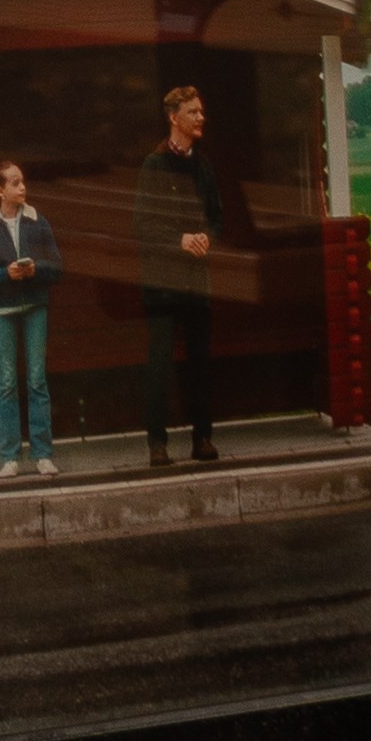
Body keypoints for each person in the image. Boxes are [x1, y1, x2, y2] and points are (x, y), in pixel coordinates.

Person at [128, 79, 234, 470]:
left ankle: (202, 438)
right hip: (161, 286)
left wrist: (207, 236)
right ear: (174, 118)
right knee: (159, 365)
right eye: (193, 112)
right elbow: (142, 224)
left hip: (196, 284)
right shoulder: (153, 165)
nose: (201, 117)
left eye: (201, 112)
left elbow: (218, 219)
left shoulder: (203, 167)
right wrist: (180, 240)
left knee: (200, 363)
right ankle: (157, 444)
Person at [0, 157, 60, 484]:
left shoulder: (37, 221)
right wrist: (4, 274)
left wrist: (37, 270)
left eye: (23, 182)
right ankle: (9, 457)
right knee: (7, 381)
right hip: (3, 313)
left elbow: (56, 267)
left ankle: (42, 454)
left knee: (37, 378)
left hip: (35, 306)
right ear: (0, 190)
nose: (22, 188)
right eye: (15, 183)